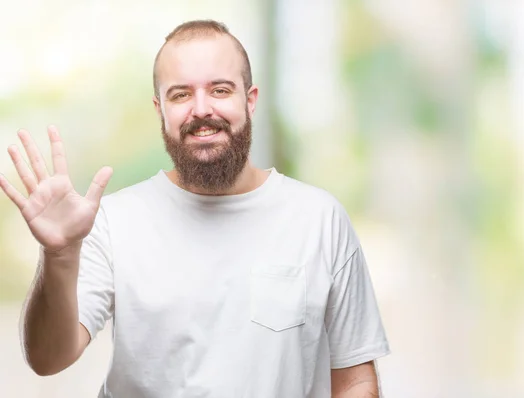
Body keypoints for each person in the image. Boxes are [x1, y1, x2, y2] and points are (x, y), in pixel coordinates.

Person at [0, 19, 390, 398]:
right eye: (181, 94)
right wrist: (60, 254)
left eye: (220, 90)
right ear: (160, 110)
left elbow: (355, 380)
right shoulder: (113, 222)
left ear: (250, 100)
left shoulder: (319, 219)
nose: (201, 109)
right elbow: (48, 359)